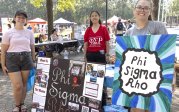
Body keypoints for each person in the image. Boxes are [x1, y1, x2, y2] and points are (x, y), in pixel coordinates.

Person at [125, 0, 174, 112]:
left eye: (146, 8)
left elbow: (167, 53)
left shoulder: (158, 26)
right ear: (134, 10)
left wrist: (172, 79)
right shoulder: (128, 33)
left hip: (156, 80)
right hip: (136, 82)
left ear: (150, 11)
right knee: (137, 109)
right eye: (140, 7)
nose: (142, 10)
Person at [1, 10, 35, 112]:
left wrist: (33, 60)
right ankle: (17, 105)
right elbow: (3, 51)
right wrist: (3, 64)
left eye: (23, 18)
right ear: (15, 19)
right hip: (12, 59)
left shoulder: (29, 32)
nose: (21, 19)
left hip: (26, 58)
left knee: (24, 84)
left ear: (26, 20)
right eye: (19, 17)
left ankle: (22, 104)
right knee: (17, 85)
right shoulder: (8, 33)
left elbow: (32, 48)